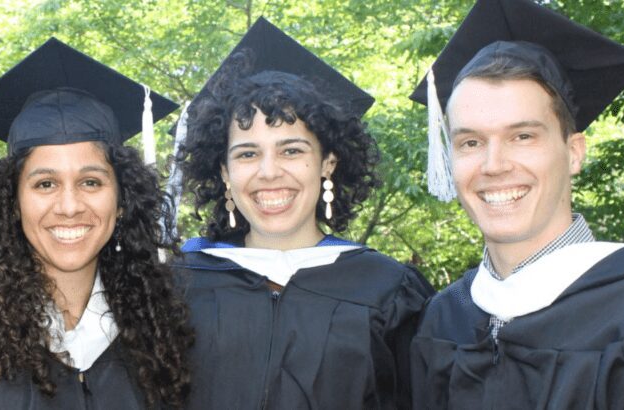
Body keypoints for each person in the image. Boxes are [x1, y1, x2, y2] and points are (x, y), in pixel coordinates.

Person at [172, 17, 434, 409]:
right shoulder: (179, 283)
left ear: (328, 162)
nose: (269, 171)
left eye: (291, 150)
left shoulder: (388, 290)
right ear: (224, 172)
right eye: (247, 154)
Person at [0, 38, 194, 409]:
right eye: (45, 184)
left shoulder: (159, 319)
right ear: (14, 202)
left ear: (122, 201)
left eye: (91, 182)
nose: (69, 206)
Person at [408, 0, 624, 408]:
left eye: (522, 137)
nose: (494, 165)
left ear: (574, 152)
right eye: (471, 142)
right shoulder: (443, 317)